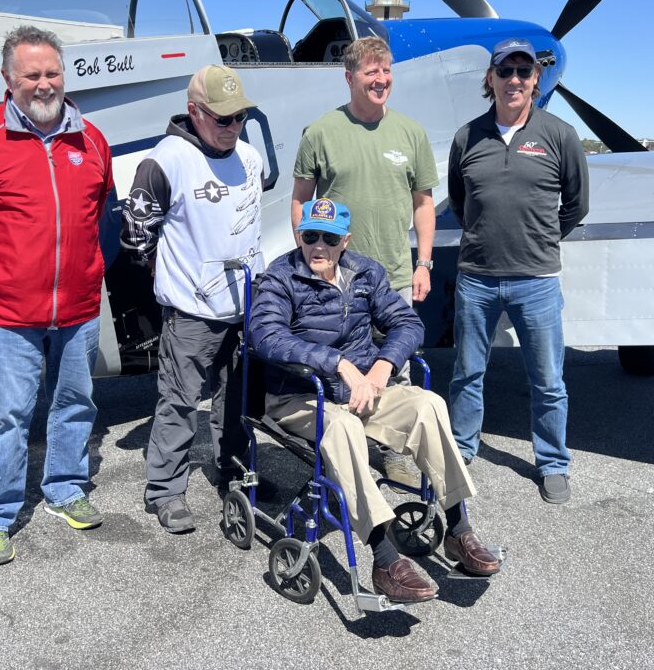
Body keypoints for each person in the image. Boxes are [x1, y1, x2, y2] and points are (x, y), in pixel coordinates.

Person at [0, 25, 114, 565]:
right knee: (10, 412)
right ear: (8, 78)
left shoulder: (91, 139)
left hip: (76, 305)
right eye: (31, 74)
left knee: (75, 401)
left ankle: (64, 488)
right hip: (4, 312)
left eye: (52, 72)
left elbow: (99, 205)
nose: (43, 83)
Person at [251, 198, 499, 603]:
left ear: (345, 241)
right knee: (345, 427)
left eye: (329, 238)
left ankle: (458, 530)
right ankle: (384, 557)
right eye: (309, 235)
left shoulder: (367, 272)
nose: (317, 246)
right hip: (300, 394)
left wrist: (384, 364)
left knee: (428, 405)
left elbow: (407, 323)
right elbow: (266, 336)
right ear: (300, 235)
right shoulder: (281, 277)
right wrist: (338, 364)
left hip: (364, 390)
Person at [121, 65, 264, 534]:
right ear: (193, 111)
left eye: (239, 117)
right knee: (180, 403)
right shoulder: (164, 161)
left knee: (238, 398)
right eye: (221, 118)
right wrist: (176, 280)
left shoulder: (249, 157)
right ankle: (165, 490)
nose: (232, 127)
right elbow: (136, 237)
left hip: (244, 305)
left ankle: (234, 471)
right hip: (191, 312)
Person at [291, 35, 438, 489]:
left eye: (387, 70)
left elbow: (423, 203)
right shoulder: (320, 132)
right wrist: (309, 254)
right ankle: (348, 448)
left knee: (397, 367)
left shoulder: (410, 133)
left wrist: (424, 262)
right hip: (338, 278)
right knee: (340, 363)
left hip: (393, 274)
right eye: (372, 72)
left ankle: (397, 455)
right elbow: (301, 200)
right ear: (349, 77)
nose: (382, 79)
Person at [447, 38, 589, 504]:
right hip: (478, 277)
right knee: (467, 372)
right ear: (489, 79)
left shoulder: (560, 135)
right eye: (504, 72)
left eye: (523, 72)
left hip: (537, 281)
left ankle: (552, 462)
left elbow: (576, 204)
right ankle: (462, 450)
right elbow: (461, 202)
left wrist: (539, 240)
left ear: (536, 80)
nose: (513, 80)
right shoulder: (467, 137)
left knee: (548, 380)